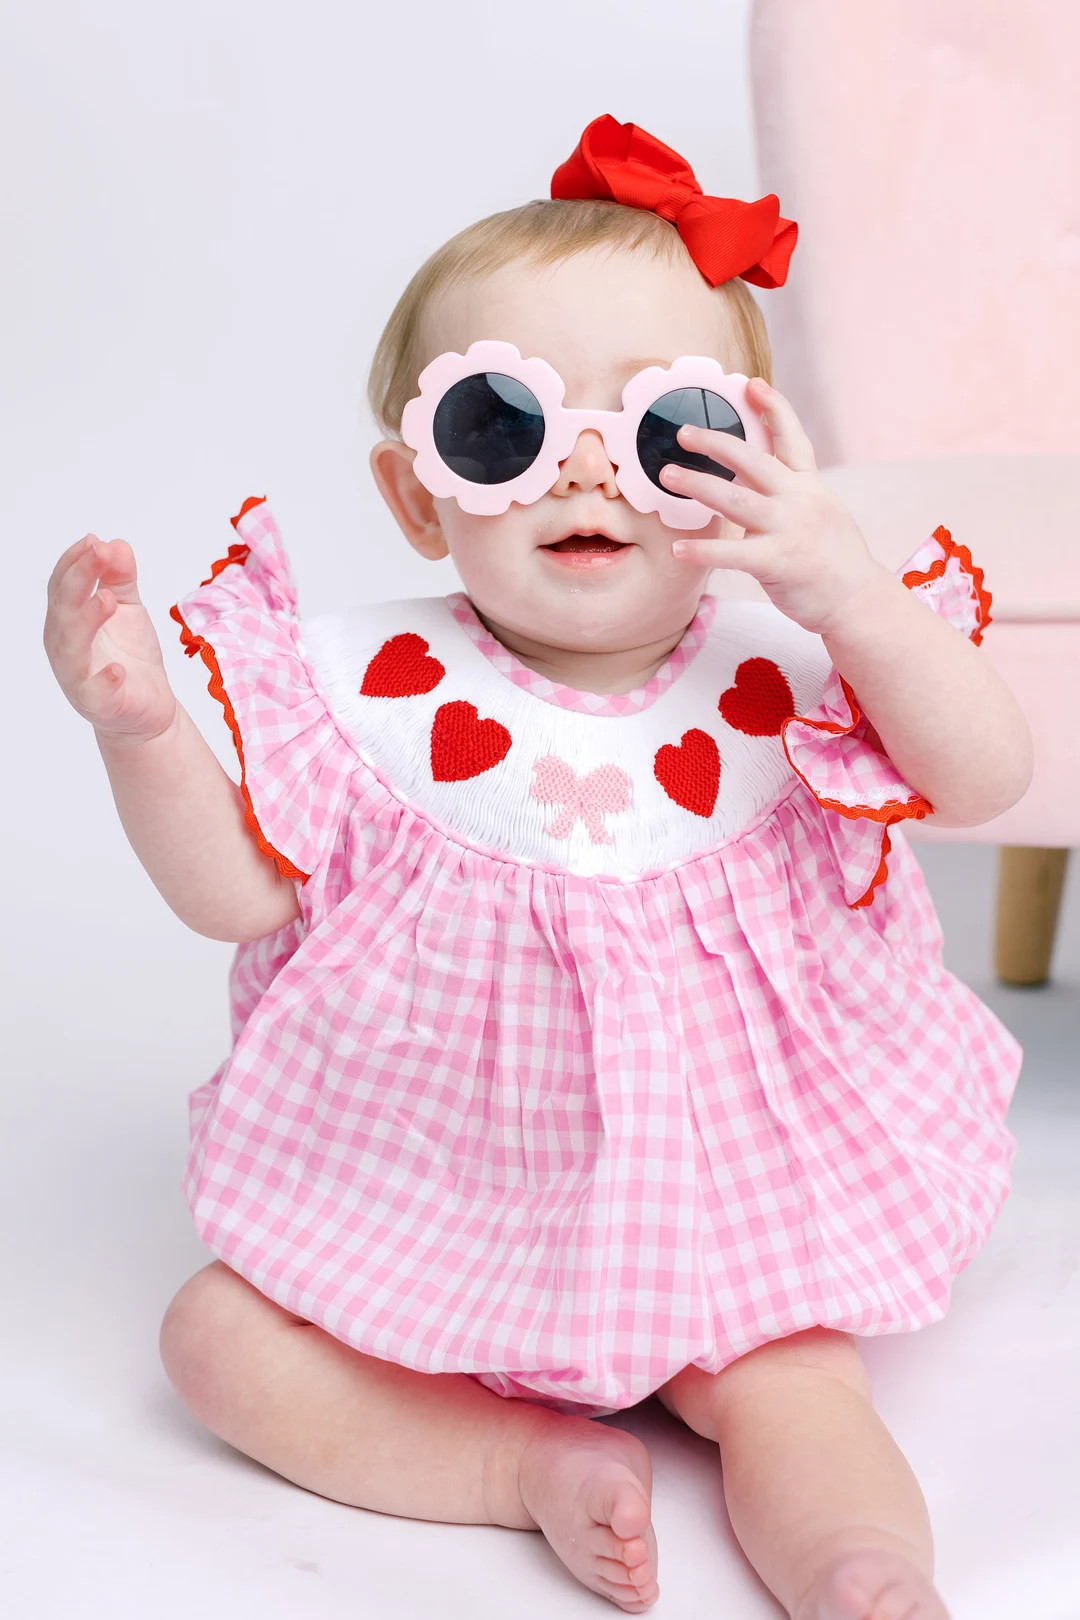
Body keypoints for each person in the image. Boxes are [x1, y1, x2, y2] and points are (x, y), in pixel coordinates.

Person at [43, 114, 1031, 1620]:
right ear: (415, 493)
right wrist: (139, 729)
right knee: (214, 1343)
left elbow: (985, 777)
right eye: (501, 426)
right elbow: (237, 897)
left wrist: (847, 587)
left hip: (727, 1211)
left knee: (795, 1389)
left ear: (759, 460)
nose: (587, 472)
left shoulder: (796, 664)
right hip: (435, 1202)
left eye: (665, 432)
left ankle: (861, 1571)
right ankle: (515, 1467)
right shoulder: (372, 694)